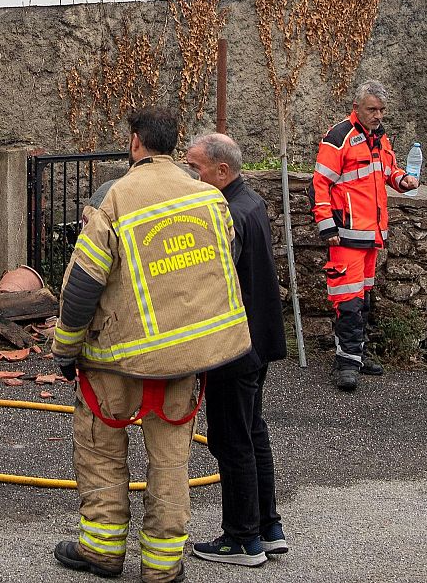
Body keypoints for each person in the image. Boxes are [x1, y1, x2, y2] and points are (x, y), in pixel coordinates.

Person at [51, 108, 252, 582]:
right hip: (182, 361)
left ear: (136, 142)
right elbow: (222, 261)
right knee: (170, 462)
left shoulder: (116, 199)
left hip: (115, 363)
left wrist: (65, 350)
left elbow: (82, 287)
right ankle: (162, 567)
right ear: (175, 143)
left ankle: (102, 551)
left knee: (101, 451)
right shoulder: (209, 199)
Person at [184, 133, 290, 566]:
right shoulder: (252, 202)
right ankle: (268, 527)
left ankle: (241, 539)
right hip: (258, 339)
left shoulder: (226, 213)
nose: (190, 175)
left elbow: (213, 278)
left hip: (233, 345)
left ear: (222, 171)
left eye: (195, 168)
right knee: (252, 430)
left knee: (231, 440)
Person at [312, 80, 419, 392]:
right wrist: (327, 226)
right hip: (346, 236)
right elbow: (320, 184)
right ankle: (346, 364)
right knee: (348, 301)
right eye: (373, 109)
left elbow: (387, 172)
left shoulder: (380, 138)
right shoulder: (339, 136)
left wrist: (402, 180)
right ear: (356, 107)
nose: (378, 115)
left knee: (364, 300)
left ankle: (357, 355)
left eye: (382, 110)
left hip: (371, 235)